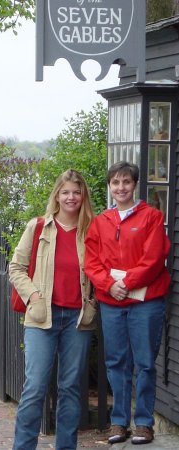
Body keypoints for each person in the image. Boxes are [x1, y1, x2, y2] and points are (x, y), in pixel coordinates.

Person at [9, 169, 97, 450]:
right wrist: (34, 295)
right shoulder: (38, 227)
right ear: (57, 196)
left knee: (70, 389)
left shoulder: (92, 231)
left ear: (83, 196)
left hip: (78, 320)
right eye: (65, 192)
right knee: (35, 387)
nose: (71, 197)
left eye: (76, 192)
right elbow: (16, 268)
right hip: (41, 318)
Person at [84, 161, 171, 445]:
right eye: (115, 183)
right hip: (112, 302)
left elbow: (154, 258)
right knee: (116, 362)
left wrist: (127, 283)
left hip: (145, 301)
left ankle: (144, 423)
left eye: (126, 182)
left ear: (134, 185)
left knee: (145, 363)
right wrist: (110, 286)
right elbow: (92, 262)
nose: (121, 188)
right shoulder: (100, 222)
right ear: (110, 187)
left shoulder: (152, 217)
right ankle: (119, 423)